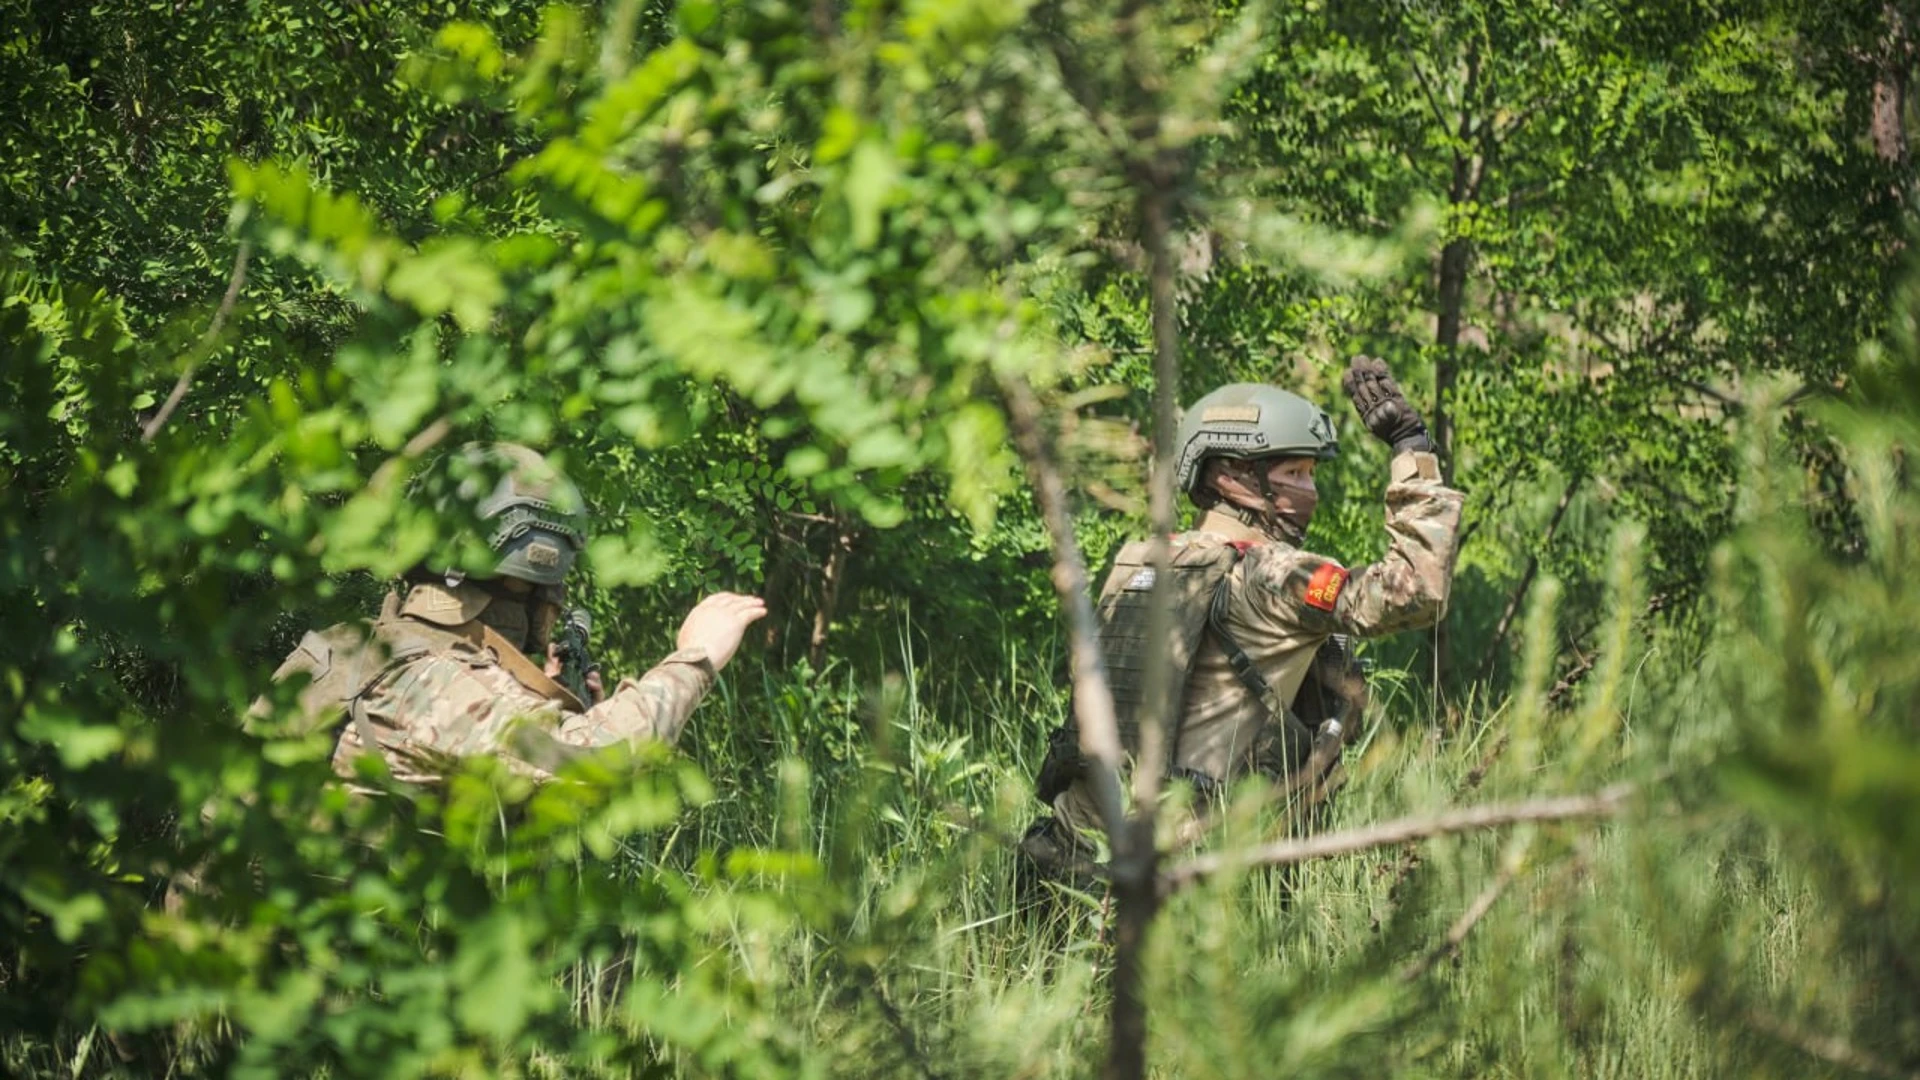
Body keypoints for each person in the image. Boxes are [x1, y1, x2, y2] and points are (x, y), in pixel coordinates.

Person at [1026, 356, 1464, 868]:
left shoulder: (1139, 558)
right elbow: (1413, 592)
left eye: (1311, 473)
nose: (1311, 490)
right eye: (1294, 472)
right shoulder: (1270, 574)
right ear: (1232, 477)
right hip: (1181, 863)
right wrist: (1412, 450)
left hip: (1066, 848)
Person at [257, 443, 766, 786]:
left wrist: (530, 692)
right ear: (523, 584)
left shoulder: (354, 645)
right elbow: (589, 762)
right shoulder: (434, 682)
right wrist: (694, 660)